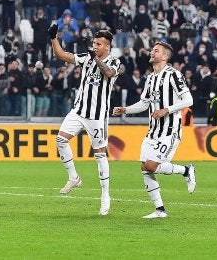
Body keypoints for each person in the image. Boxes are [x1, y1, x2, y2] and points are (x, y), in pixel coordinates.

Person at [112, 41, 196, 219]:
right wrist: (125, 109)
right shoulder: (150, 78)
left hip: (169, 130)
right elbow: (144, 103)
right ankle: (160, 209)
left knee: (152, 165)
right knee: (145, 168)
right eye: (152, 50)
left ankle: (186, 171)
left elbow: (189, 100)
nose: (151, 52)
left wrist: (167, 109)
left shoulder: (173, 75)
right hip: (153, 131)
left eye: (155, 50)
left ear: (164, 56)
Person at [48, 23, 121, 216]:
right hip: (78, 111)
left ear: (107, 46)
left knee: (100, 155)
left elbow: (108, 73)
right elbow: (62, 56)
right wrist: (53, 38)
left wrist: (95, 58)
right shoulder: (87, 58)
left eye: (98, 44)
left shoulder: (114, 61)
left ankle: (105, 195)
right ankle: (74, 177)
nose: (95, 46)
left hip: (97, 117)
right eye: (94, 43)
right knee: (60, 140)